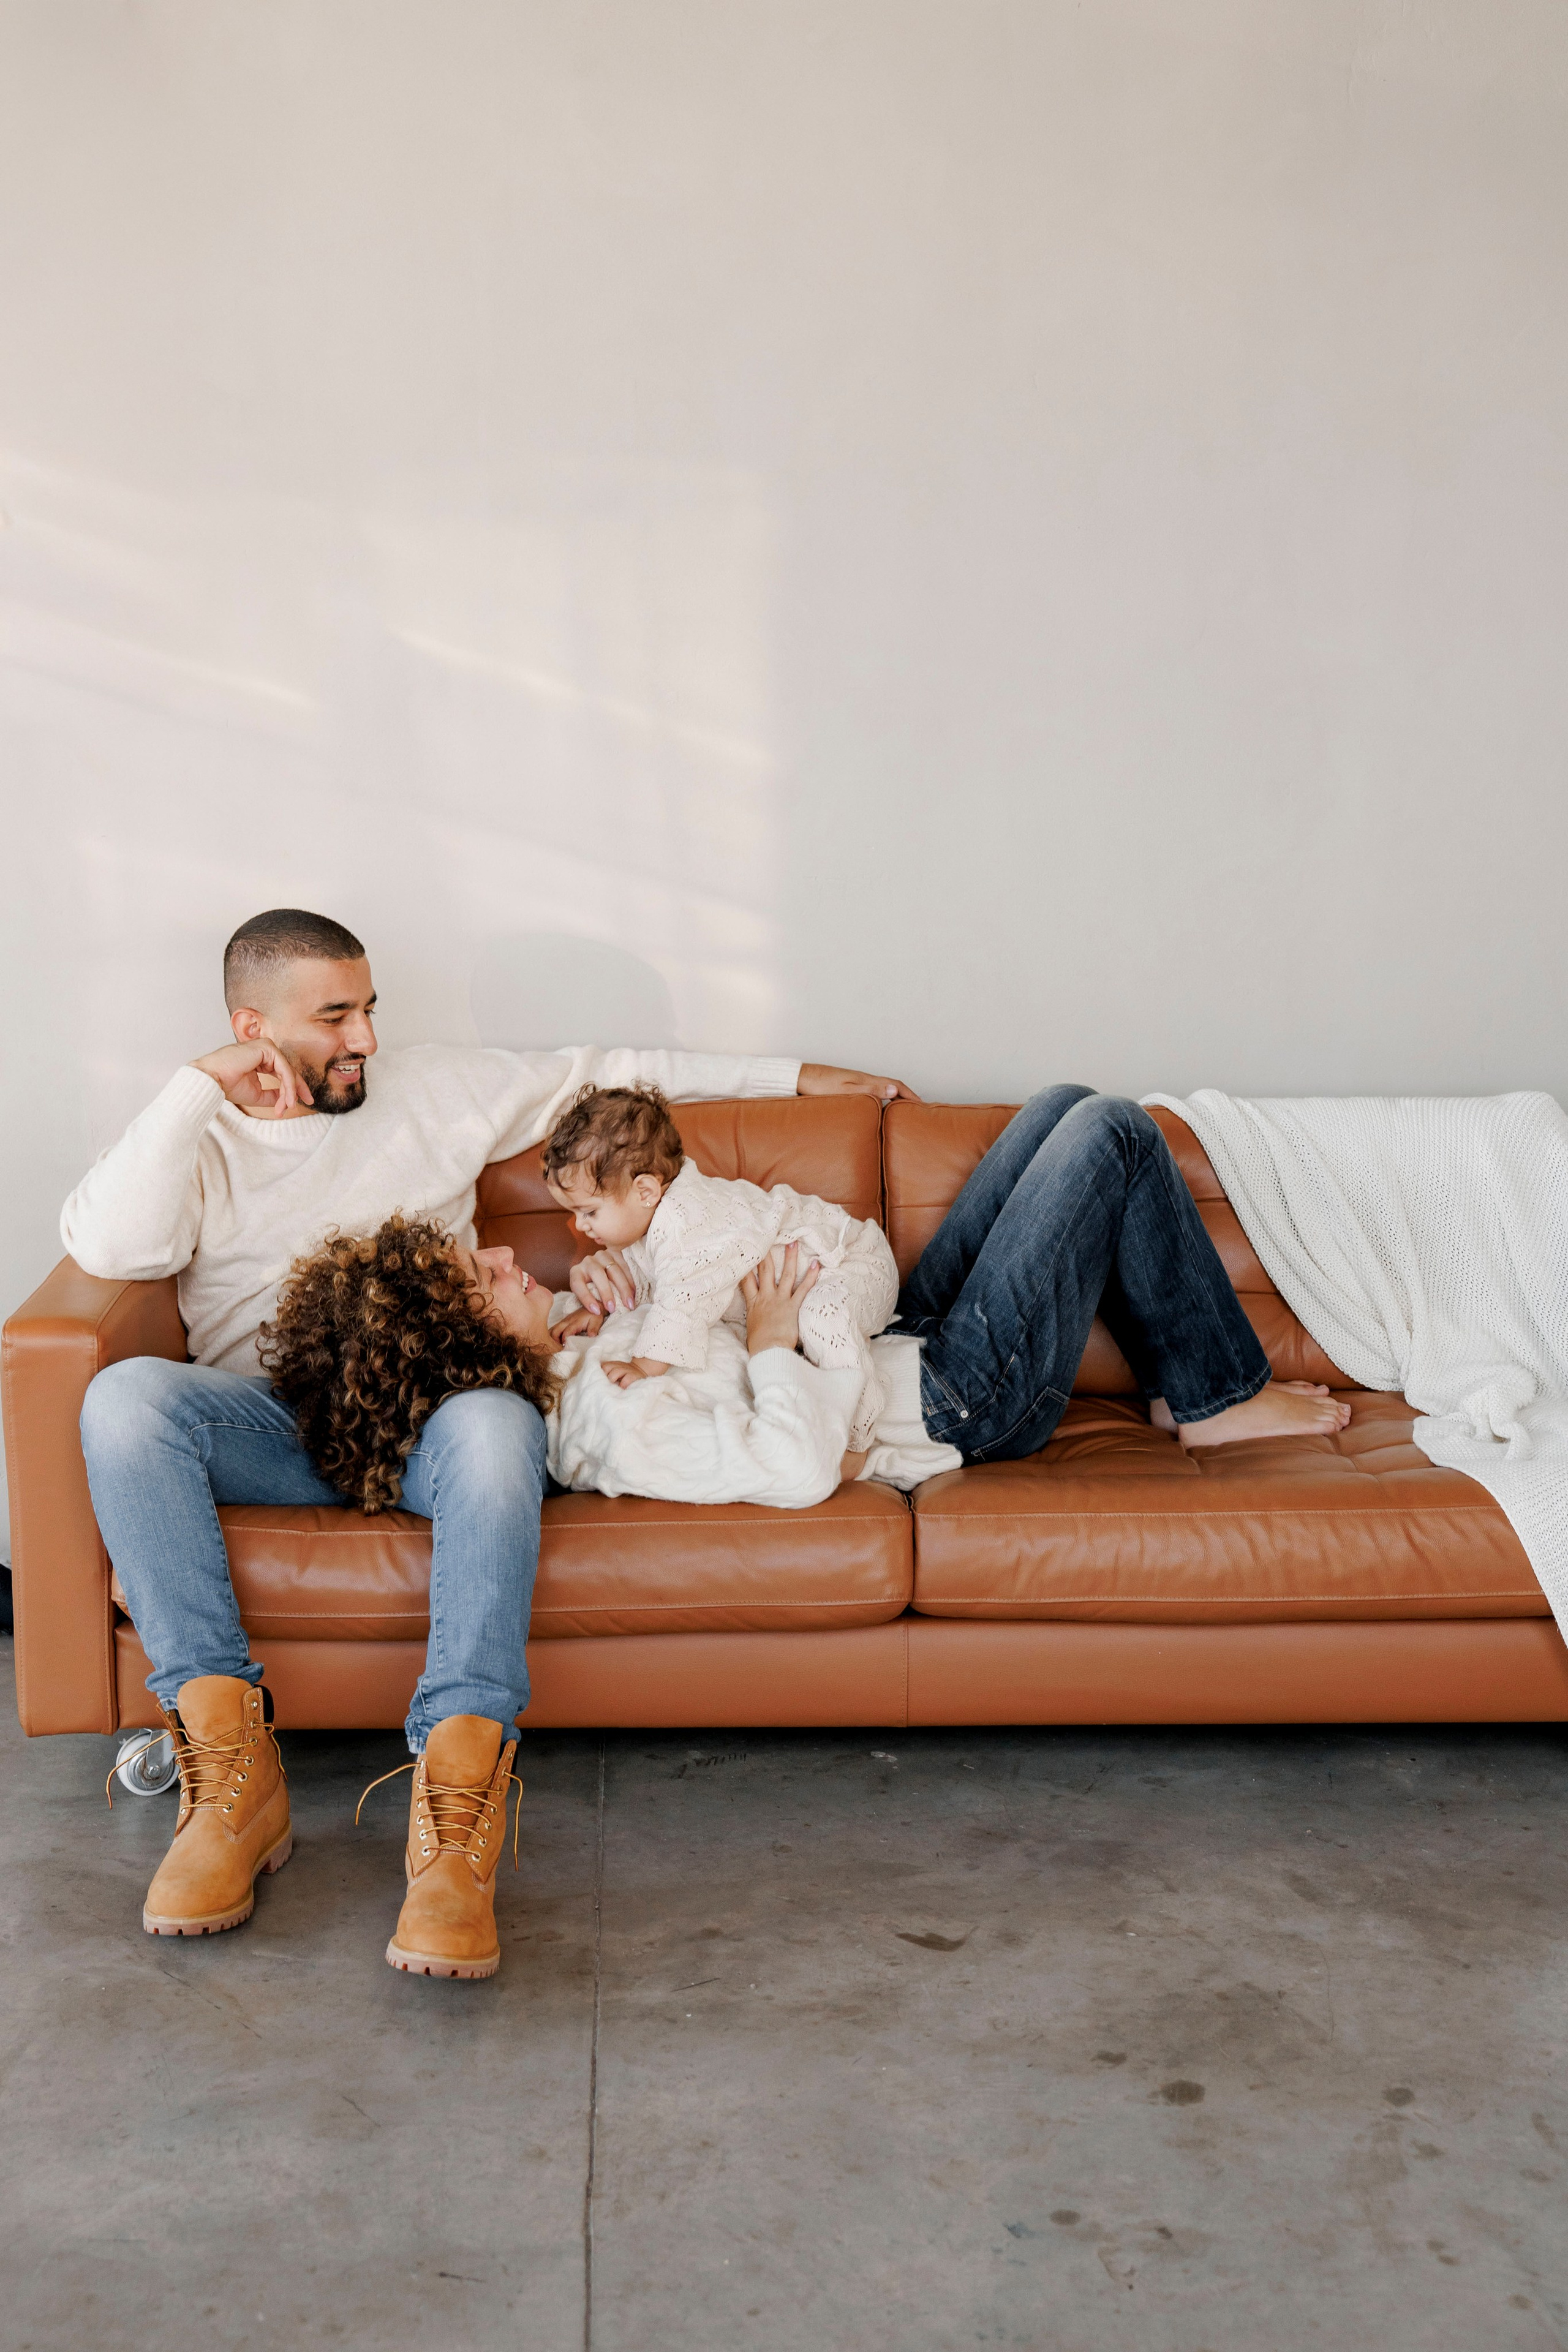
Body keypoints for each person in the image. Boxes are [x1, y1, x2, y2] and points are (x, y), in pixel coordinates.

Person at [70, 905, 916, 1978]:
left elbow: (612, 1067)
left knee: (493, 1418)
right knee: (125, 1400)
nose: (367, 1039)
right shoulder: (199, 1137)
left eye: (369, 1010)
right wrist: (200, 1087)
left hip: (434, 1423)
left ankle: (457, 1815)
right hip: (275, 1426)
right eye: (335, 1018)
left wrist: (808, 1079)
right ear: (253, 1024)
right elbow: (105, 1242)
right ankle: (232, 1777)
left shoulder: (432, 1089)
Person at [539, 1082, 900, 1450]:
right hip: (808, 1282)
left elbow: (681, 1303)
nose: (580, 1226)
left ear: (646, 1191)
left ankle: (859, 1425)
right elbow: (649, 1280)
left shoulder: (686, 1219)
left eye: (589, 1212)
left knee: (821, 1316)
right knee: (805, 1325)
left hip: (852, 1260)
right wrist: (598, 1307)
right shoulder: (644, 1227)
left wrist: (643, 1366)